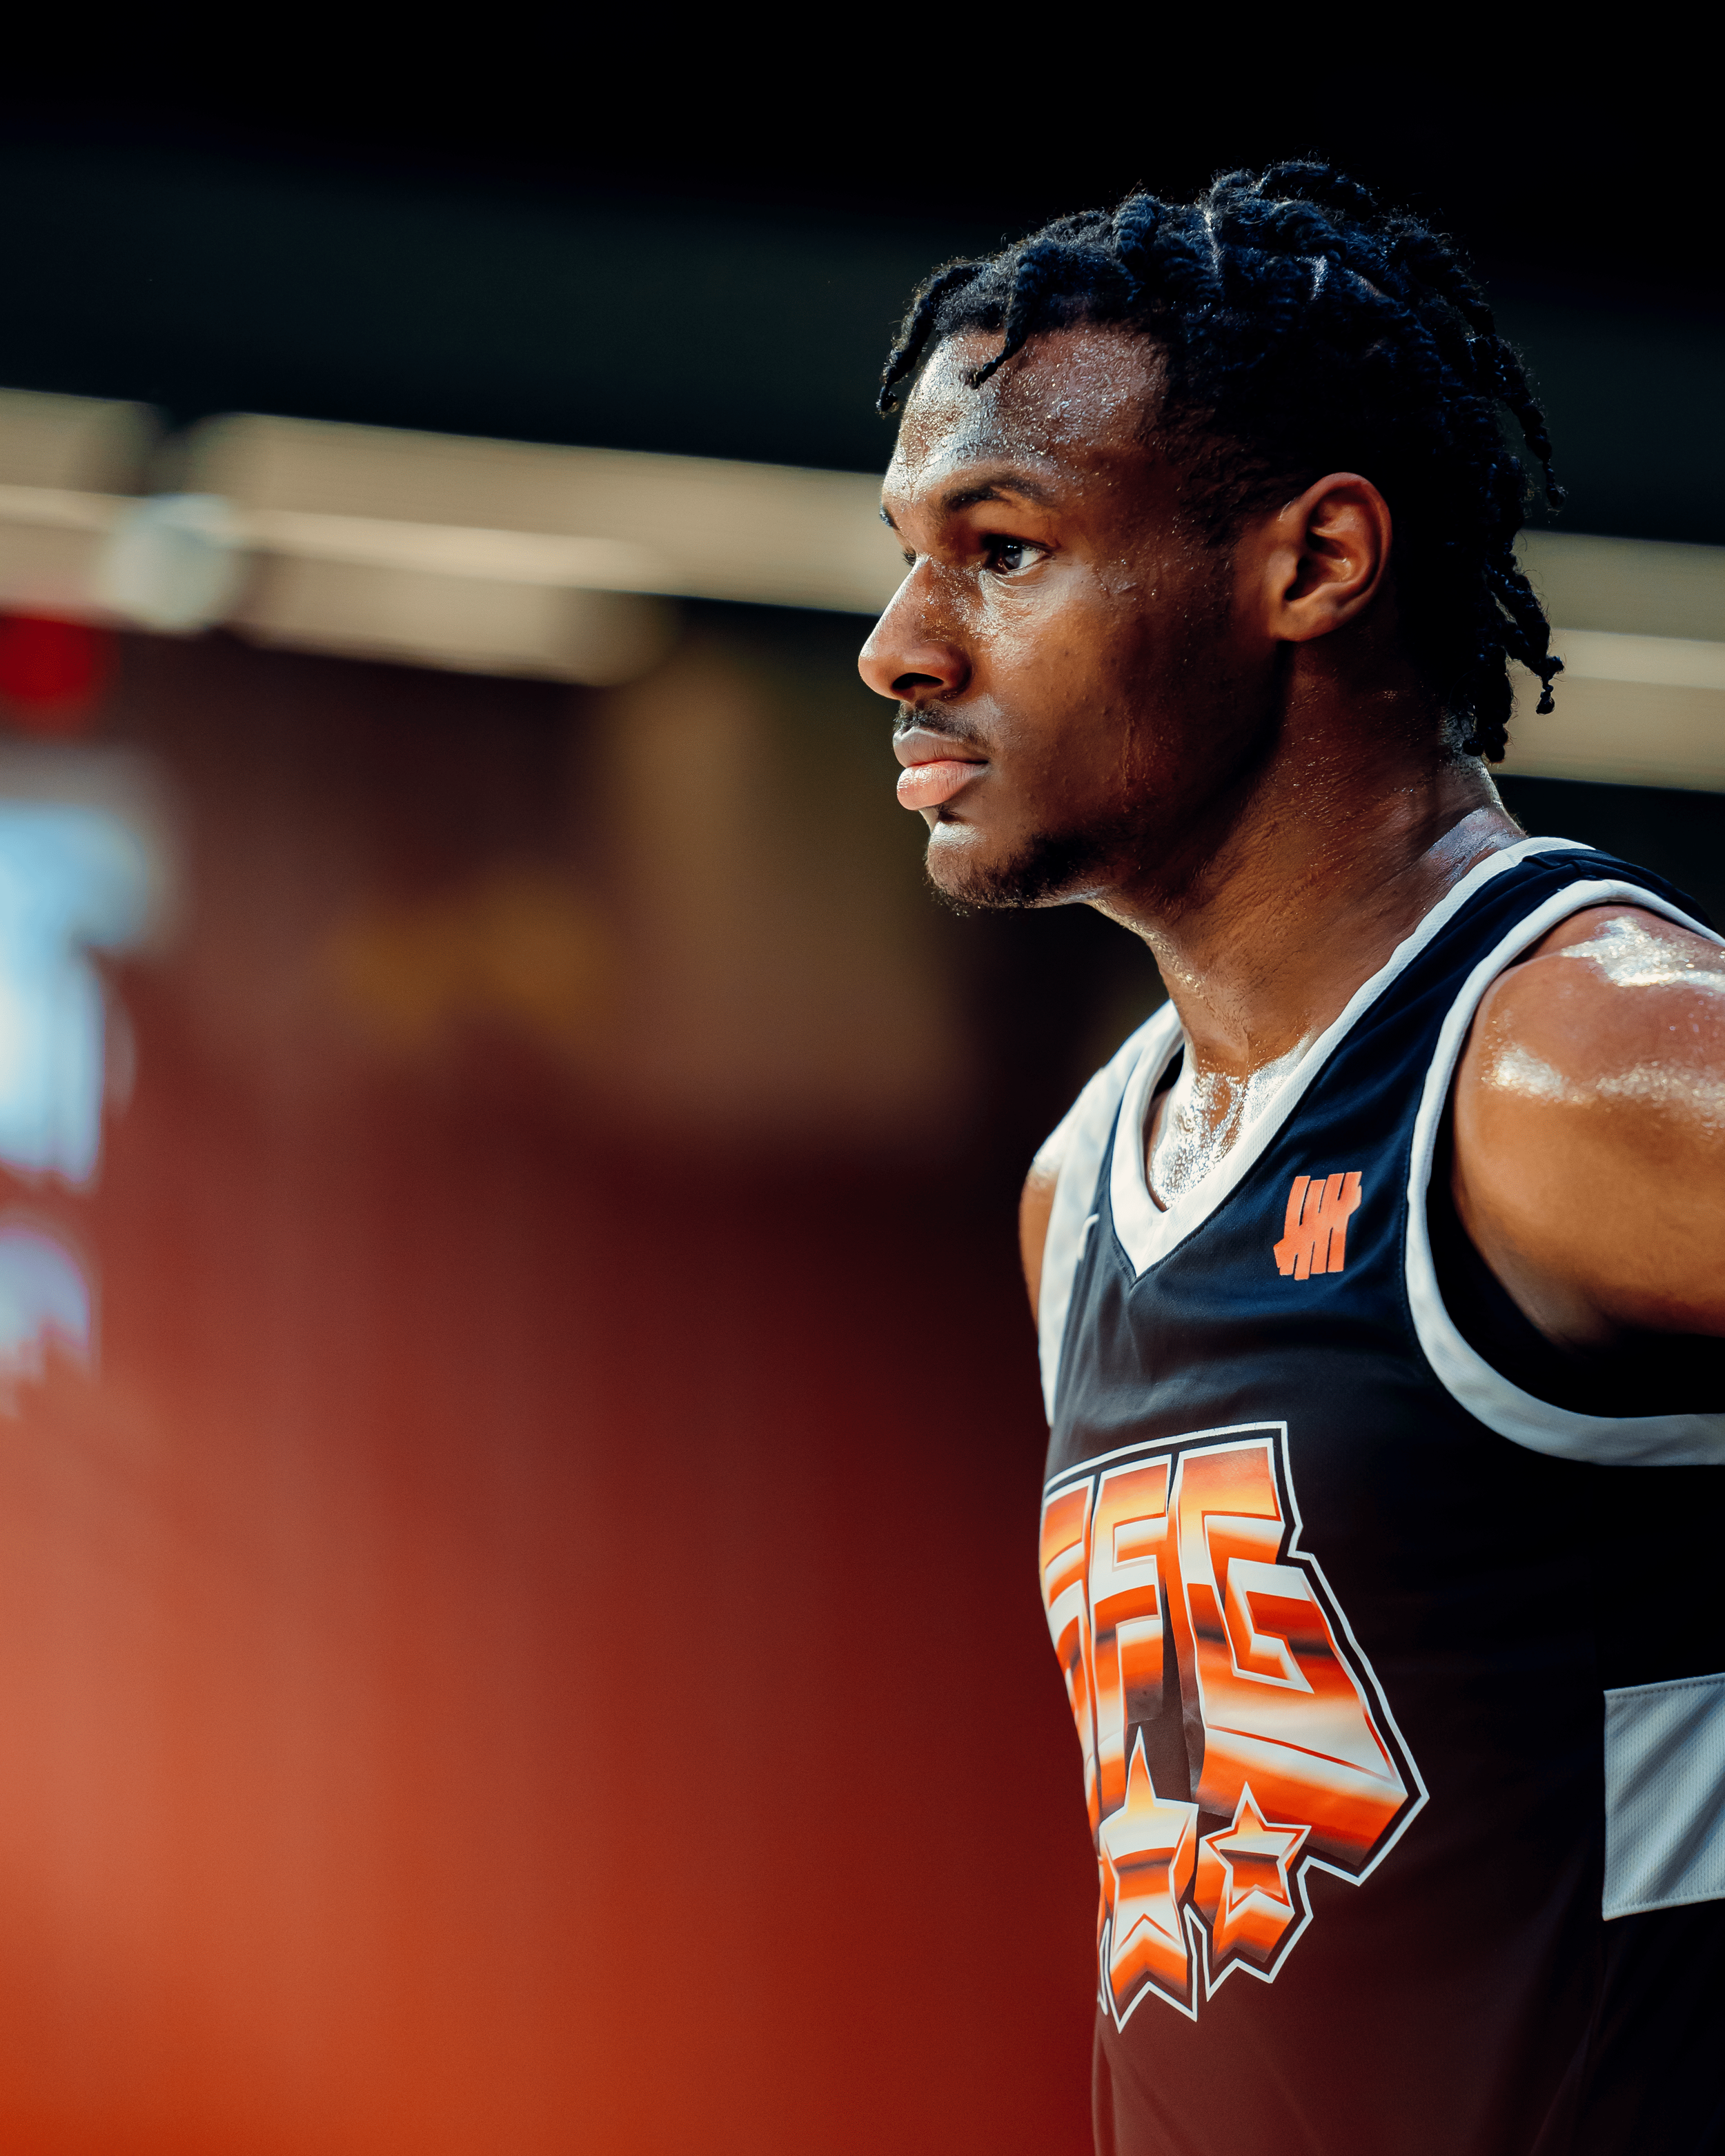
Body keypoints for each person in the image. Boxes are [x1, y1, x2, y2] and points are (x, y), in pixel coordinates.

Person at [856, 166, 1725, 2156]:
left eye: (1003, 549)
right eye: (907, 555)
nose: (901, 644)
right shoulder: (1084, 1187)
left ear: (1316, 560)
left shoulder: (1575, 1058)